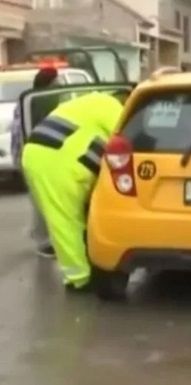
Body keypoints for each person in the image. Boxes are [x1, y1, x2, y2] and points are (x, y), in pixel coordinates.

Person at [22, 91, 125, 291]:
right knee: (66, 220)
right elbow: (127, 137)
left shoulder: (91, 102)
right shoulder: (111, 106)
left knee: (62, 218)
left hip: (38, 154)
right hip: (56, 161)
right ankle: (80, 278)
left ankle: (77, 273)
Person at [9, 67, 60, 258]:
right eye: (57, 80)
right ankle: (43, 241)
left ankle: (40, 235)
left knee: (39, 198)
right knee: (42, 199)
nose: (60, 84)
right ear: (50, 82)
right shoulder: (46, 100)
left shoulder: (29, 98)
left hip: (27, 153)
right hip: (39, 154)